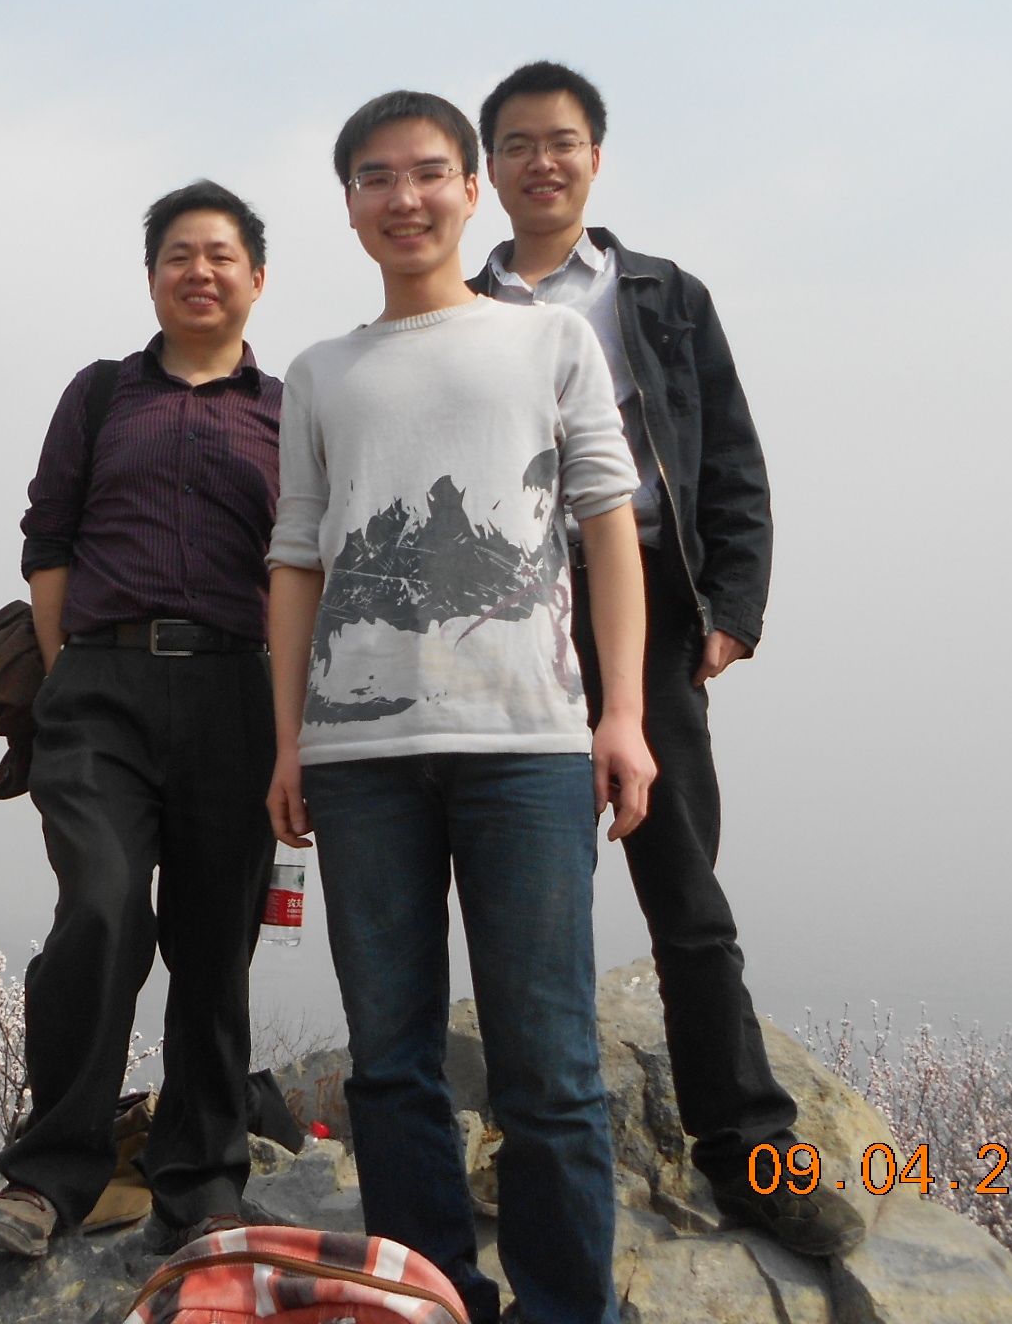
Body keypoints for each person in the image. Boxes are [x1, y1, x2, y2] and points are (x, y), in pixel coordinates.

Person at [266, 91, 653, 1324]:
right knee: (387, 1063)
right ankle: (431, 1298)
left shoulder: (549, 342)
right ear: (348, 204)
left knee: (550, 1067)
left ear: (469, 189)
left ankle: (564, 1308)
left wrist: (622, 715)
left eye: (428, 172)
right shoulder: (319, 372)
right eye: (375, 177)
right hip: (357, 756)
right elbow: (295, 559)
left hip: (525, 745)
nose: (404, 198)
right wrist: (287, 741)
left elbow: (606, 525)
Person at [469, 61, 864, 1259]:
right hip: (507, 621)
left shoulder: (659, 294)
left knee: (684, 891)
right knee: (526, 897)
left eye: (561, 140)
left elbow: (728, 457)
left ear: (594, 157)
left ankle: (747, 1150)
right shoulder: (461, 306)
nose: (541, 161)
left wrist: (731, 608)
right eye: (517, 144)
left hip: (645, 603)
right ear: (489, 169)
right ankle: (537, 1150)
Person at [0, 181, 282, 1257]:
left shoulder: (290, 413)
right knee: (100, 909)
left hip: (237, 692)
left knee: (215, 941)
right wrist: (65, 678)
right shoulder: (101, 394)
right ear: (151, 278)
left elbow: (305, 564)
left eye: (221, 255)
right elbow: (49, 538)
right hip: (99, 688)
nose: (200, 271)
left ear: (256, 277)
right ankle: (50, 1175)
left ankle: (202, 1184)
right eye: (177, 255)